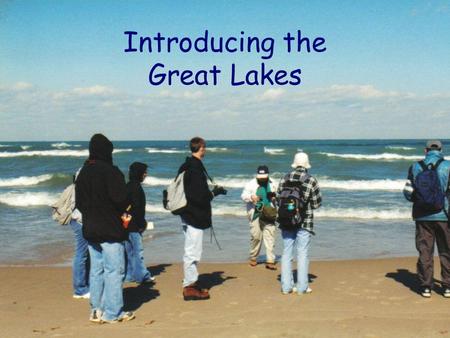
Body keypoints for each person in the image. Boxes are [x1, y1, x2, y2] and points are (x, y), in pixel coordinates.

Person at [75, 134, 135, 323]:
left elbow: (79, 203)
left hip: (90, 228)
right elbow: (121, 199)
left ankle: (96, 310)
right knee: (114, 270)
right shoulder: (111, 171)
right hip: (110, 228)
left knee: (96, 270)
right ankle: (113, 313)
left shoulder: (83, 172)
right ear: (107, 151)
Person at [177, 137, 227, 301]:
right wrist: (214, 193)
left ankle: (190, 282)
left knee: (190, 250)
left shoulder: (186, 165)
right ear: (202, 148)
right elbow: (199, 196)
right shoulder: (195, 168)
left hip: (186, 213)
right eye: (205, 147)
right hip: (194, 216)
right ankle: (190, 287)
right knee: (193, 252)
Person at [403, 140, 450, 298]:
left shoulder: (415, 166)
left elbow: (407, 192)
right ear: (441, 150)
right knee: (446, 250)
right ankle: (447, 286)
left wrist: (419, 201)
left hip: (422, 216)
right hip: (444, 215)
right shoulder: (448, 166)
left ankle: (426, 287)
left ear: (426, 150)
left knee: (425, 250)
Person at [278, 152, 322, 295]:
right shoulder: (311, 180)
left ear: (294, 163)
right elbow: (316, 204)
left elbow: (278, 198)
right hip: (305, 221)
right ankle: (302, 287)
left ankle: (286, 287)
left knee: (286, 252)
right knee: (302, 253)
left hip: (286, 220)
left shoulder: (284, 178)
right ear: (306, 164)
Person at [241, 165, 278, 270]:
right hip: (256, 212)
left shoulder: (273, 183)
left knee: (270, 236)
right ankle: (253, 257)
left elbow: (279, 195)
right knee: (256, 236)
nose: (262, 179)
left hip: (269, 211)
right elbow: (243, 196)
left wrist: (275, 197)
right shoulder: (251, 184)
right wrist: (251, 197)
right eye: (260, 177)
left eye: (264, 177)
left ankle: (270, 260)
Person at [124, 162, 154, 284]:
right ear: (139, 173)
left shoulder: (127, 186)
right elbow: (137, 209)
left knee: (129, 252)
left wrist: (125, 224)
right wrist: (142, 224)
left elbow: (125, 208)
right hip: (135, 225)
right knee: (138, 251)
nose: (146, 174)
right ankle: (142, 275)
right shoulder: (136, 188)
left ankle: (130, 275)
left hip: (126, 224)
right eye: (144, 172)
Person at [70, 169, 90, 299]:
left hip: (76, 219)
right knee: (82, 254)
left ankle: (84, 285)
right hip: (80, 221)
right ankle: (80, 289)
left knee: (85, 254)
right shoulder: (84, 176)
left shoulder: (79, 176)